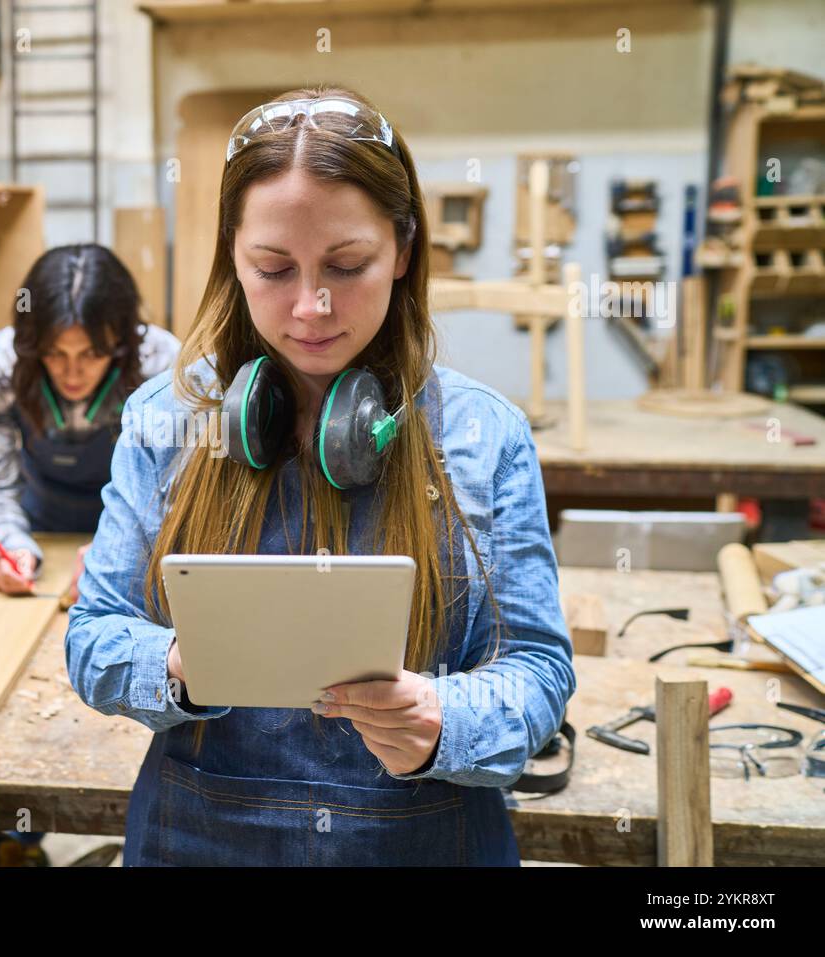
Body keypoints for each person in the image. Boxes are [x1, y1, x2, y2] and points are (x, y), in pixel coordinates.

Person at [64, 86, 575, 866]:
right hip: (198, 839)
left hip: (421, 840)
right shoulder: (166, 421)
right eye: (273, 268)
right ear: (232, 255)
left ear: (404, 250)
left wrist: (447, 718)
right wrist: (177, 663)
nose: (311, 306)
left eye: (347, 263)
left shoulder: (482, 436)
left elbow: (539, 671)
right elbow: (93, 634)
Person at [0, 244, 180, 598]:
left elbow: (172, 496)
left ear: (122, 343)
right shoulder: (1, 363)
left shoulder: (160, 364)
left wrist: (120, 554)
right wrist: (10, 548)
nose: (72, 373)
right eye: (54, 353)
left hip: (134, 534)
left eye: (92, 353)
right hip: (40, 531)